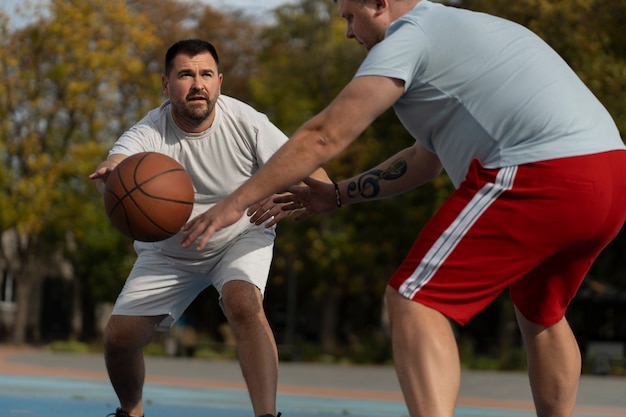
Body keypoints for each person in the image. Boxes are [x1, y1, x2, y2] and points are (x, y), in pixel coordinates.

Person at [180, 1, 626, 417]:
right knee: (541, 313)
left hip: (540, 171)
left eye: (351, 17)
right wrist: (337, 194)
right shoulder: (467, 28)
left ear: (380, 3)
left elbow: (324, 135)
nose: (349, 34)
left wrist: (233, 204)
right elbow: (423, 159)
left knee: (414, 299)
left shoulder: (409, 36)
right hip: (609, 175)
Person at [90, 39, 327, 417]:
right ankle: (130, 413)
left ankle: (267, 414)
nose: (197, 84)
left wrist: (287, 199)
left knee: (244, 303)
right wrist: (113, 172)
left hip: (240, 233)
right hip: (170, 249)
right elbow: (119, 158)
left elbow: (316, 173)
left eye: (205, 74)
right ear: (166, 86)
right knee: (119, 339)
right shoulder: (151, 129)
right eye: (185, 74)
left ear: (219, 81)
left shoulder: (248, 122)